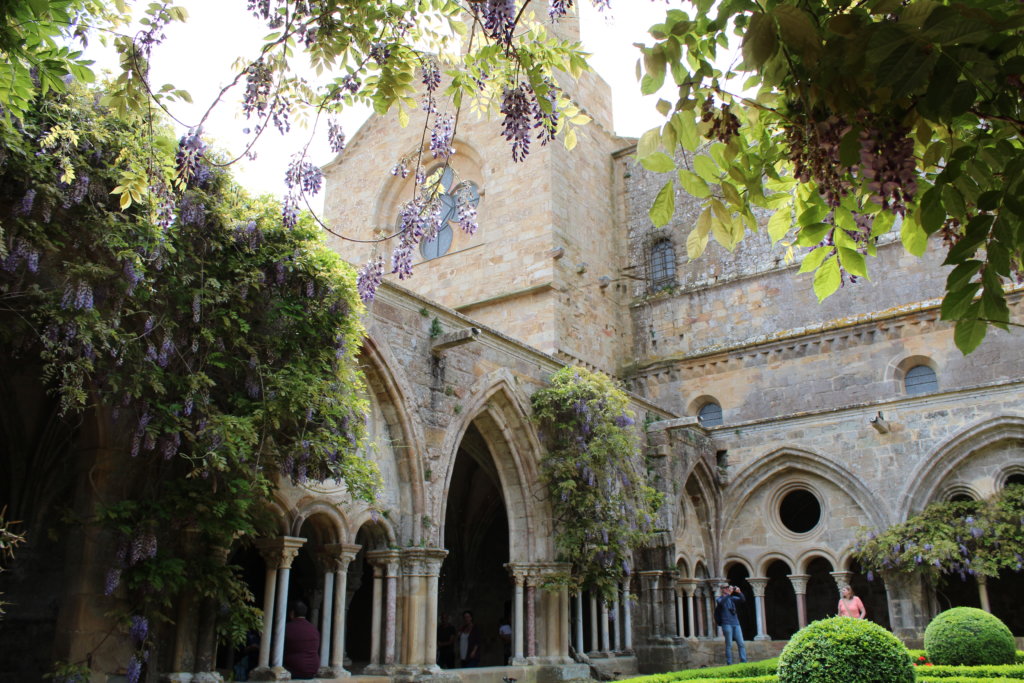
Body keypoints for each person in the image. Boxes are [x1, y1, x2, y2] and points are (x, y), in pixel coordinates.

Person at [283, 601, 320, 680]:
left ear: (292, 613)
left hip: (295, 669)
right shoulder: (313, 628)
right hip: (313, 669)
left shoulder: (287, 628)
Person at [714, 583, 747, 666]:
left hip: (736, 623)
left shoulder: (732, 598)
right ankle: (729, 663)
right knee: (729, 644)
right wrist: (729, 594)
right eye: (726, 588)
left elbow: (742, 600)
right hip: (726, 624)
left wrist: (739, 592)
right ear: (722, 589)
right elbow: (721, 603)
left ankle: (744, 661)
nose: (728, 589)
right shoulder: (719, 599)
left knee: (741, 643)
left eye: (728, 587)